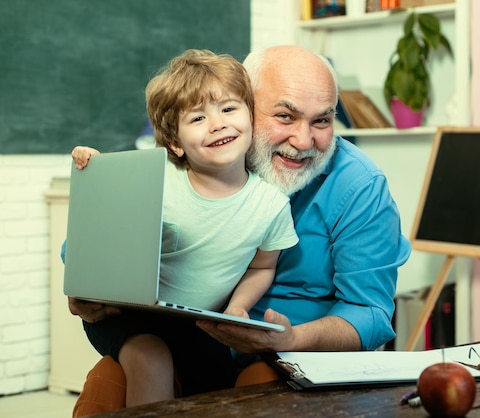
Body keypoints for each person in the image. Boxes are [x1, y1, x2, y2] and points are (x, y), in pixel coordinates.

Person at [68, 45, 412, 417]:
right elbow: (97, 240)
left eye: (322, 121)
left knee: (257, 394)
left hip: (280, 355)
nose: (303, 140)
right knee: (107, 386)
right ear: (248, 102)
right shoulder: (203, 152)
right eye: (284, 116)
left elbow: (371, 313)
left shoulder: (360, 186)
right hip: (173, 337)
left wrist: (294, 338)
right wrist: (90, 291)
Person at [64, 48, 298, 408]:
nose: (218, 123)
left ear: (251, 118)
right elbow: (102, 226)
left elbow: (262, 266)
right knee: (151, 359)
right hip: (131, 313)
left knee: (215, 385)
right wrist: (95, 169)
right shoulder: (158, 181)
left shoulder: (271, 204)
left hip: (198, 324)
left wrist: (238, 306)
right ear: (175, 142)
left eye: (229, 108)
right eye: (198, 117)